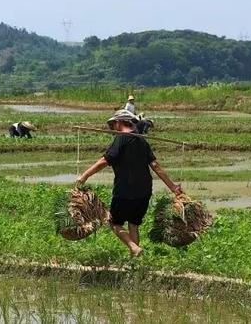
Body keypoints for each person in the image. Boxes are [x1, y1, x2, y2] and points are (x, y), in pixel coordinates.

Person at [75, 109, 183, 257]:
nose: (113, 128)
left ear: (119, 122)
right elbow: (156, 166)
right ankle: (135, 259)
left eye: (114, 124)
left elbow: (105, 161)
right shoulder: (141, 140)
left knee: (113, 222)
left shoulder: (121, 138)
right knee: (133, 223)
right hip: (144, 191)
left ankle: (133, 247)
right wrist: (173, 187)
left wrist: (84, 176)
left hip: (125, 190)